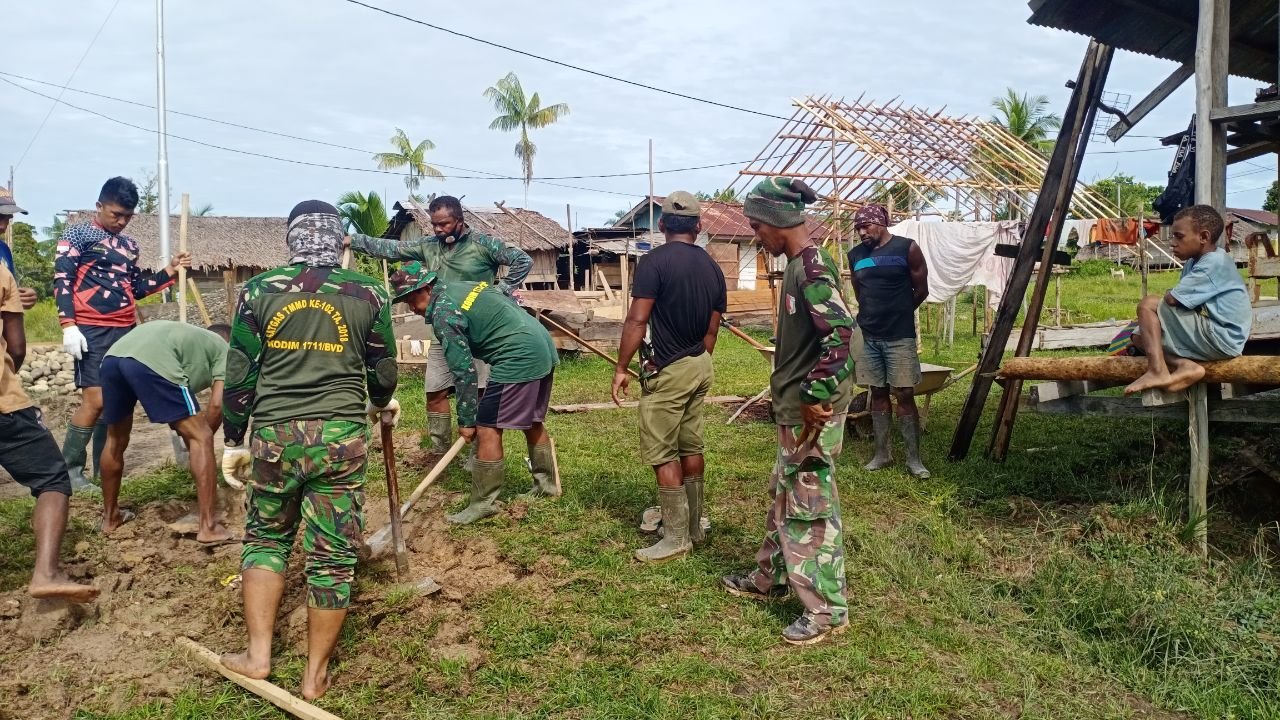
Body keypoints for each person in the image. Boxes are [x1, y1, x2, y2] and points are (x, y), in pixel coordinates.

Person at [218, 200, 399, 701]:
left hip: (275, 437)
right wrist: (384, 402)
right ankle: (315, 674)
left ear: (291, 241)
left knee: (266, 539)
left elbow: (239, 375)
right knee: (333, 556)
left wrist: (234, 438)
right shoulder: (367, 292)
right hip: (341, 438)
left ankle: (258, 655)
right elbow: (383, 367)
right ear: (340, 241)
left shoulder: (258, 291)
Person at [721, 177, 855, 646]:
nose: (757, 237)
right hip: (795, 413)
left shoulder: (813, 269)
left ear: (777, 223)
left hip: (811, 415)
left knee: (809, 510)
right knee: (785, 495)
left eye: (757, 227)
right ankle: (771, 578)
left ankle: (826, 610)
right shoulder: (799, 267)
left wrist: (817, 394)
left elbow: (842, 335)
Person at [346, 195, 532, 456]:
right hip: (442, 330)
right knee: (434, 390)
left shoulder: (483, 244)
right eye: (434, 224)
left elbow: (523, 260)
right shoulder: (429, 246)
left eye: (444, 224)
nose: (438, 229)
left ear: (459, 220)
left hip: (476, 334)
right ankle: (440, 451)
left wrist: (502, 291)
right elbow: (391, 249)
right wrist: (354, 241)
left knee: (476, 391)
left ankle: (474, 453)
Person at [389, 262, 558, 525]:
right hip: (539, 342)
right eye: (406, 303)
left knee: (488, 427)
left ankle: (483, 503)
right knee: (532, 420)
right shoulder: (460, 286)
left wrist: (467, 421)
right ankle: (547, 486)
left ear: (426, 288)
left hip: (516, 355)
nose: (412, 308)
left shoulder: (444, 312)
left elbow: (464, 372)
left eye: (413, 299)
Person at [611, 191, 726, 562]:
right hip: (699, 363)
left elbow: (637, 319)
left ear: (661, 225)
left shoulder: (653, 263)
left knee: (663, 452)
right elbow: (713, 326)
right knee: (691, 445)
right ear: (698, 225)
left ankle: (676, 538)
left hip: (670, 369)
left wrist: (621, 367)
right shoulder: (713, 267)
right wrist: (699, 360)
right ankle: (693, 525)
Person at [54, 177, 190, 492]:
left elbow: (136, 289)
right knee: (96, 399)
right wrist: (68, 324)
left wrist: (169, 271)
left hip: (125, 330)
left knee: (116, 401)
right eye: (116, 214)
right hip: (90, 328)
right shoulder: (77, 235)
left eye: (127, 216)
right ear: (99, 206)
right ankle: (70, 473)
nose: (121, 221)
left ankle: (105, 471)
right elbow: (62, 279)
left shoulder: (129, 246)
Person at [0, 261, 99, 603]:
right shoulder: (1, 271)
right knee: (52, 480)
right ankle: (46, 573)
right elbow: (16, 346)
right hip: (4, 406)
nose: (3, 225)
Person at [98, 320, 235, 544]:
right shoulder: (224, 348)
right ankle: (209, 527)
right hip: (153, 359)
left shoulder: (190, 338)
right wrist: (200, 444)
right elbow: (218, 405)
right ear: (227, 338)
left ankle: (110, 518)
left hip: (112, 358)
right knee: (202, 437)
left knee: (115, 439)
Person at [1125, 205, 1253, 395]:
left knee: (1147, 305)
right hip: (1213, 333)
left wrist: (1166, 302)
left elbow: (1172, 300)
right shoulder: (1194, 262)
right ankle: (1185, 366)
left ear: (1203, 237)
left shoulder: (1214, 262)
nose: (1172, 243)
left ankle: (1157, 371)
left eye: (1179, 236)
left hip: (1223, 336)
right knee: (1139, 337)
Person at [847, 203, 931, 479]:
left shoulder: (907, 248)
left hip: (899, 335)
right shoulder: (856, 255)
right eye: (858, 227)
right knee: (877, 392)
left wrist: (899, 312)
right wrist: (873, 316)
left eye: (866, 226)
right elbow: (860, 293)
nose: (861, 232)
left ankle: (914, 460)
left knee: (904, 393)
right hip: (869, 335)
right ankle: (882, 454)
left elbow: (921, 290)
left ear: (881, 224)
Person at [0, 189, 40, 310]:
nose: (3, 225)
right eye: (0, 217)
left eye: (7, 219)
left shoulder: (4, 250)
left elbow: (6, 290)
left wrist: (21, 296)